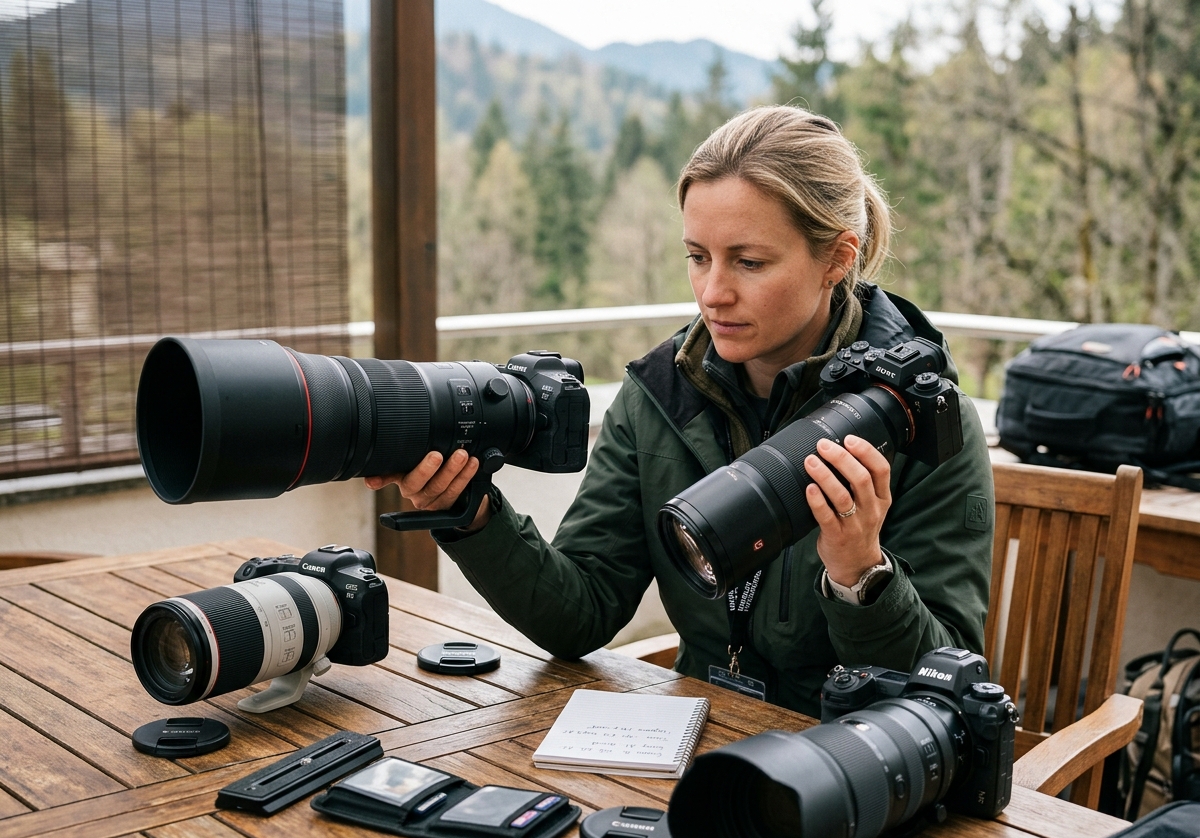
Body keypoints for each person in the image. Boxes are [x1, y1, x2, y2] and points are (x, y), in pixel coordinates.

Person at [367, 106, 993, 717]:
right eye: (698, 256)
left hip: (853, 765)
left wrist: (861, 576)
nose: (713, 293)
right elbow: (582, 612)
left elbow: (944, 685)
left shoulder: (924, 423)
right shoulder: (658, 395)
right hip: (700, 740)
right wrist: (474, 515)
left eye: (749, 262)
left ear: (837, 258)